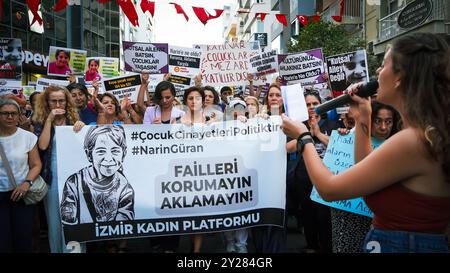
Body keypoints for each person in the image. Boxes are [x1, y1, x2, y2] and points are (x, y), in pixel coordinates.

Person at [281, 33, 450, 253]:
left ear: (400, 77)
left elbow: (329, 189)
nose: (378, 71)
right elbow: (366, 165)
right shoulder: (421, 134)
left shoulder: (413, 140)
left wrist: (303, 138)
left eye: (384, 64)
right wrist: (363, 116)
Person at [32, 85, 84, 253]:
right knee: (54, 221)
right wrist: (49, 121)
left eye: (61, 100)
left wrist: (81, 127)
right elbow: (42, 145)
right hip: (52, 176)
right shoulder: (39, 120)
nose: (57, 104)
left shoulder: (73, 118)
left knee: (76, 219)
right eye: (53, 101)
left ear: (66, 101)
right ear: (47, 103)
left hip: (73, 176)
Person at [60, 125, 134, 224]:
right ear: (89, 154)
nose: (108, 158)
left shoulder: (124, 188)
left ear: (123, 153)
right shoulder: (74, 183)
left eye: (115, 151)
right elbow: (68, 220)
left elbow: (123, 225)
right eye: (101, 151)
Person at [0, 98, 42, 252]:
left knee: (23, 238)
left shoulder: (28, 137)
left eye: (13, 113)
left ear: (19, 116)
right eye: (5, 113)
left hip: (21, 194)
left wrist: (26, 183)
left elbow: (36, 165)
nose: (10, 117)